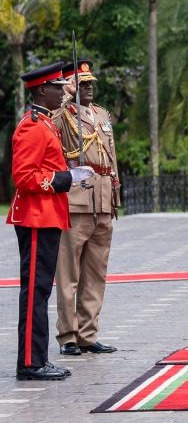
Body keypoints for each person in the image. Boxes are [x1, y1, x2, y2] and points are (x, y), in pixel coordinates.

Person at [7, 62, 94, 380]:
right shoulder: (32, 125)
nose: (64, 91)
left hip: (45, 216)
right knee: (34, 291)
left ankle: (37, 358)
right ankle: (30, 362)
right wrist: (66, 177)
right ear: (42, 90)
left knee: (40, 289)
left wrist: (69, 169)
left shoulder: (44, 123)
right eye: (58, 87)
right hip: (34, 217)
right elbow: (25, 177)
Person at [51, 60, 120, 356]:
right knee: (69, 274)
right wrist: (65, 97)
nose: (88, 88)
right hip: (77, 201)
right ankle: (68, 335)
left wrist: (115, 195)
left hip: (103, 201)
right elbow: (47, 126)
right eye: (82, 84)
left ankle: (87, 334)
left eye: (91, 84)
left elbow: (111, 156)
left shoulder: (102, 114)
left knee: (96, 272)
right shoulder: (63, 114)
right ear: (73, 87)